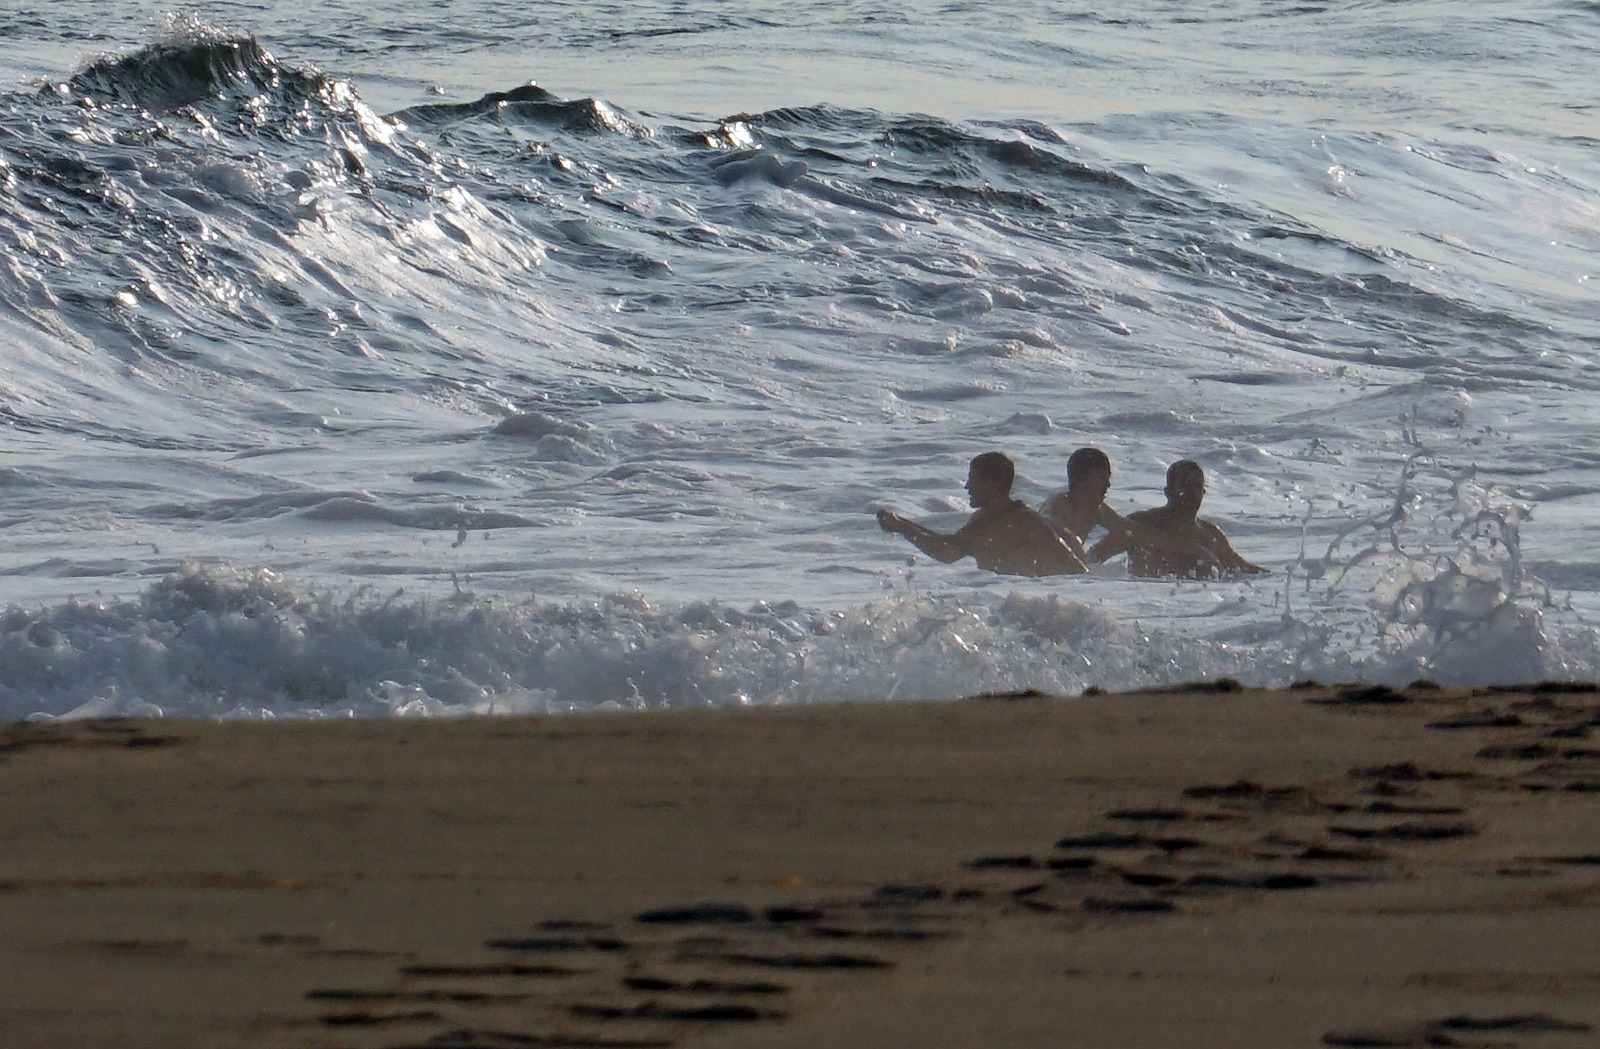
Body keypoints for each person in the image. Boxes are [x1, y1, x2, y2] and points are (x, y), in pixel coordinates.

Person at [876, 451, 1087, 577]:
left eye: (973, 479)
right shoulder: (990, 518)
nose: (967, 486)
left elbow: (947, 553)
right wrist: (903, 524)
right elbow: (952, 543)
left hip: (1055, 605)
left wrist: (902, 528)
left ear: (993, 484)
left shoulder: (1018, 521)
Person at [1089, 460, 1268, 579]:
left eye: (1197, 487)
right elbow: (1091, 560)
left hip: (1197, 613)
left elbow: (1244, 571)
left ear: (1204, 493)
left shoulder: (1210, 536)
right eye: (1185, 486)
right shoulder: (1140, 525)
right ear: (1168, 492)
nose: (1191, 493)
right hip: (1145, 607)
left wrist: (1283, 580)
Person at [1040, 446, 1128, 550]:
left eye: (1108, 478)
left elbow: (1125, 529)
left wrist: (1096, 555)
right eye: (1102, 478)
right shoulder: (1056, 507)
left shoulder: (1096, 510)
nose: (1108, 484)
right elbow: (1043, 532)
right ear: (1081, 480)